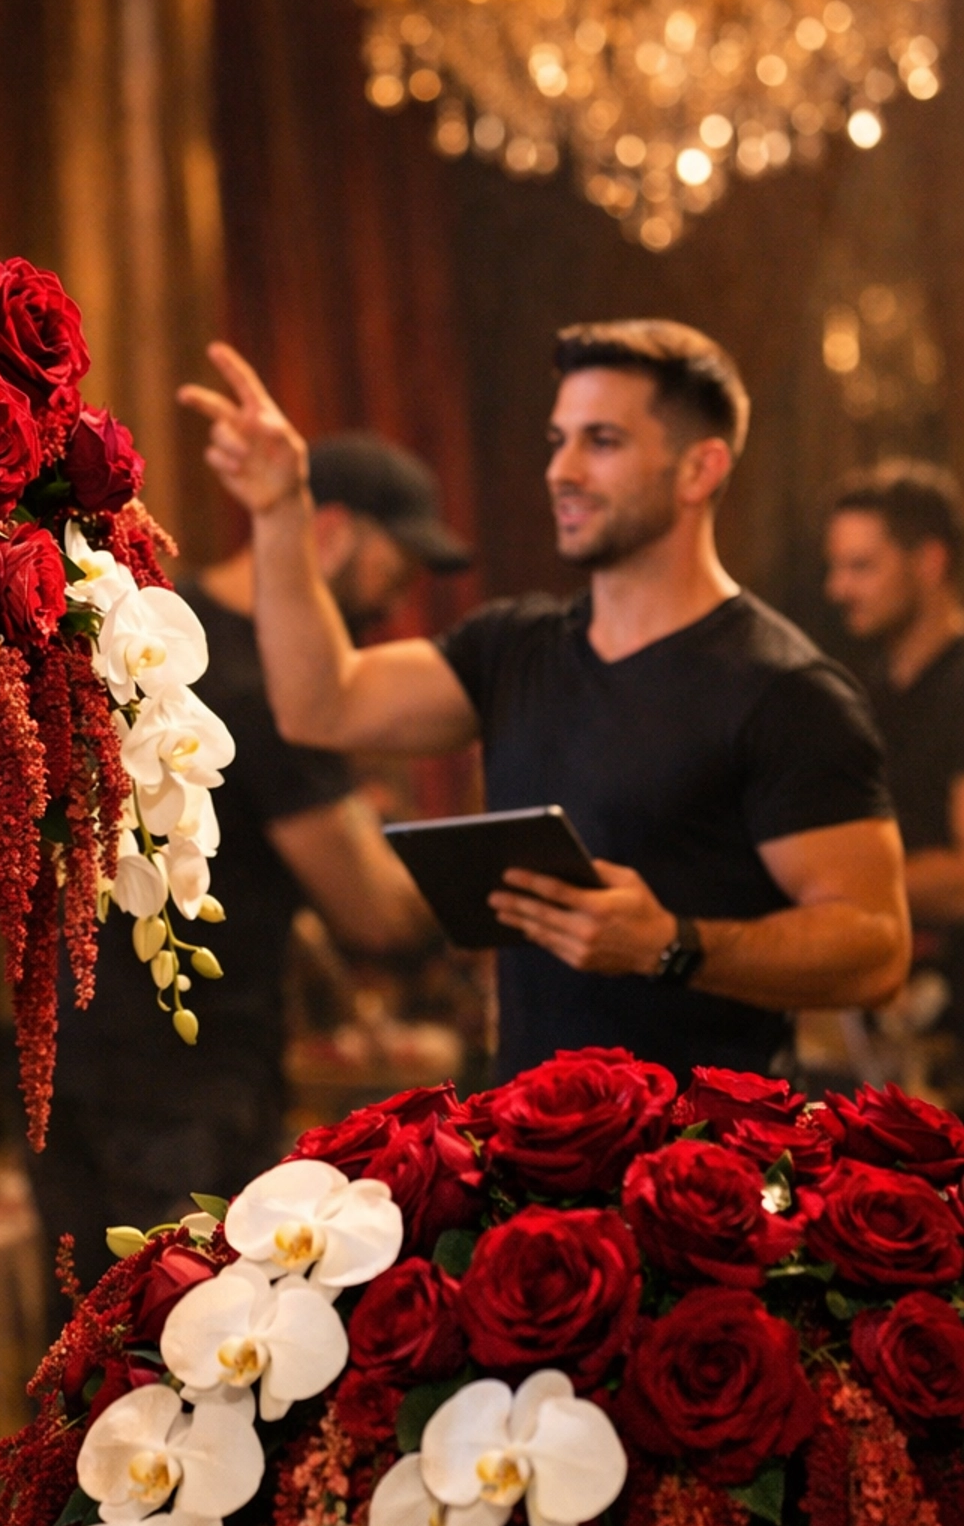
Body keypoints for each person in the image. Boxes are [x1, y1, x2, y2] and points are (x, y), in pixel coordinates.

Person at [179, 322, 910, 1085]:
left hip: (702, 1146)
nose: (562, 470)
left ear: (700, 469)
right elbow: (321, 705)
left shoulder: (787, 691)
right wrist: (280, 512)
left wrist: (672, 943)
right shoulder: (514, 647)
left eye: (602, 442)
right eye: (558, 441)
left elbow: (876, 951)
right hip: (527, 1137)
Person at [33, 433, 460, 1286]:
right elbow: (372, 913)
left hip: (65, 1059)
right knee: (183, 1343)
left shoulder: (162, 629)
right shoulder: (279, 681)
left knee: (83, 1343)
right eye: (399, 565)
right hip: (191, 1084)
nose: (401, 598)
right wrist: (488, 893)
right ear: (331, 532)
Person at [825, 461, 964, 1067]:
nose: (838, 589)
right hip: (881, 1028)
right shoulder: (863, 695)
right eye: (835, 567)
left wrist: (825, 890)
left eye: (861, 566)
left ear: (929, 562)